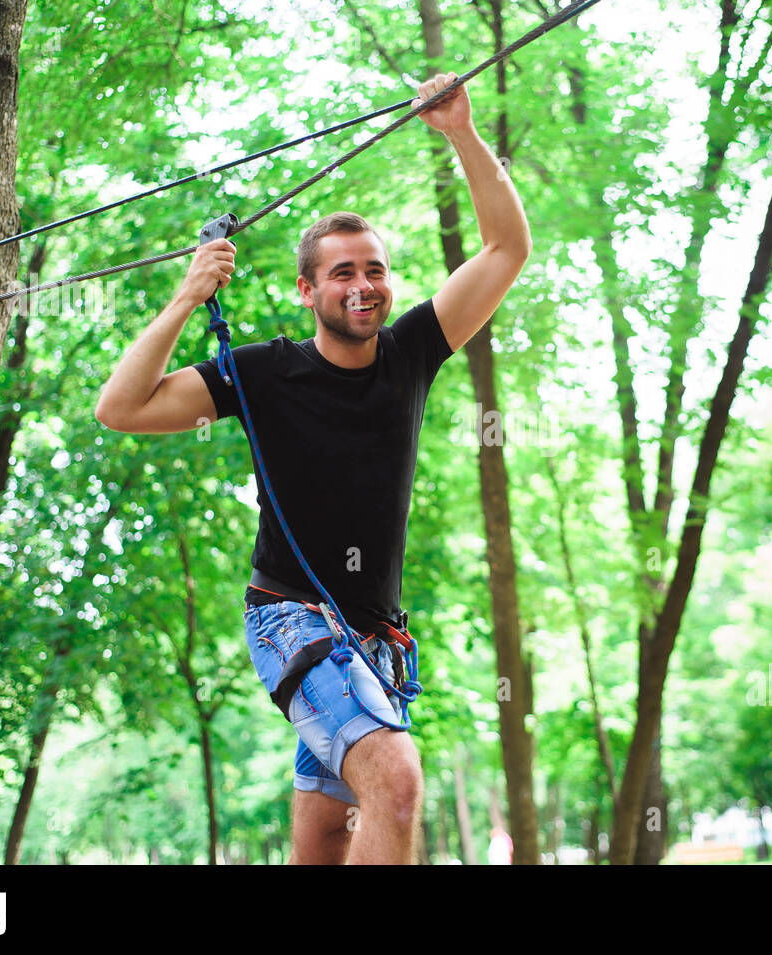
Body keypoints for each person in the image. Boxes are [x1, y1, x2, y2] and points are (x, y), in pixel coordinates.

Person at [94, 72, 530, 864]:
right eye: (342, 272)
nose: (363, 286)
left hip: (372, 645)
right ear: (307, 289)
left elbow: (507, 248)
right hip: (290, 619)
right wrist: (188, 297)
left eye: (374, 269)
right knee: (395, 783)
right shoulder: (263, 373)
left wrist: (460, 132)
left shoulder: (412, 352)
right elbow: (121, 407)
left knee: (328, 840)